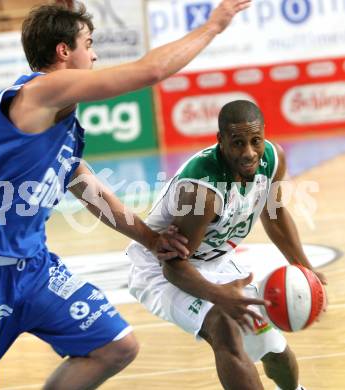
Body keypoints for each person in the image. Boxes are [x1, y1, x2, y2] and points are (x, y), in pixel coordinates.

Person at [0, 0, 253, 388]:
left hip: (32, 267)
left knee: (115, 346)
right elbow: (151, 70)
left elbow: (88, 188)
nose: (95, 54)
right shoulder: (41, 92)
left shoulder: (60, 122)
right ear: (64, 51)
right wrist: (215, 24)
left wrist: (151, 239)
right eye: (89, 43)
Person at [128, 100, 327, 390]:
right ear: (221, 141)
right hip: (160, 270)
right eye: (237, 143)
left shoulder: (272, 159)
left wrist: (306, 269)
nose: (249, 153)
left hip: (214, 262)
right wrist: (219, 296)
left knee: (276, 353)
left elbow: (274, 214)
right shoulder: (203, 192)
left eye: (255, 141)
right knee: (223, 326)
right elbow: (173, 266)